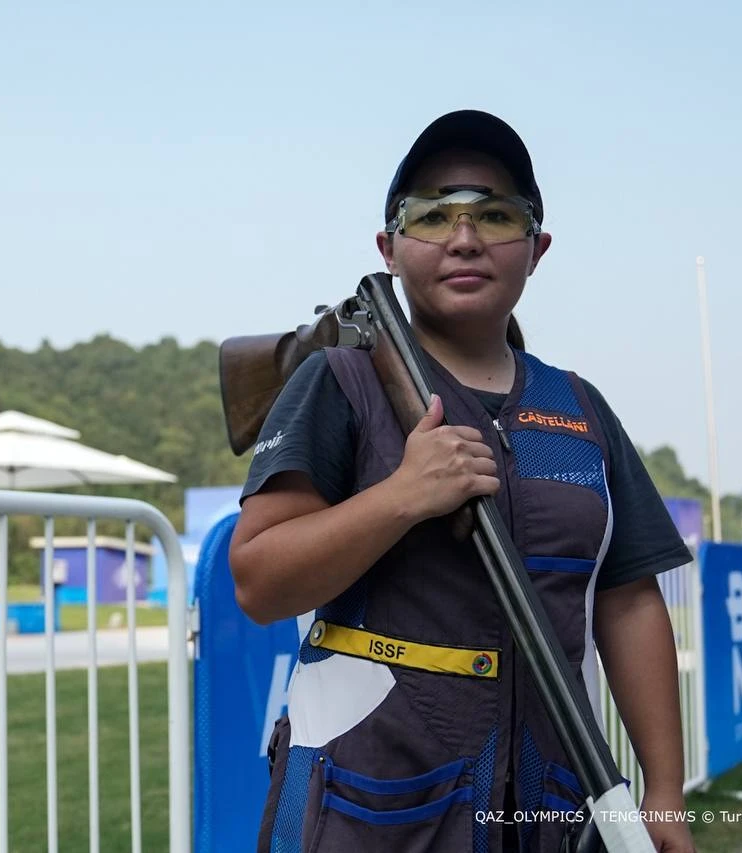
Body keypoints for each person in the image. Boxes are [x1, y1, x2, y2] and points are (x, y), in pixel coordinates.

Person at [228, 110, 697, 853]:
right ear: (389, 247)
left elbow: (630, 600)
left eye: (497, 215)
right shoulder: (338, 382)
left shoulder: (580, 406)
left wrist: (664, 792)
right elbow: (258, 581)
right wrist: (402, 496)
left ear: (537, 249)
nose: (465, 237)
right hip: (368, 806)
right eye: (433, 215)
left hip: (550, 807)